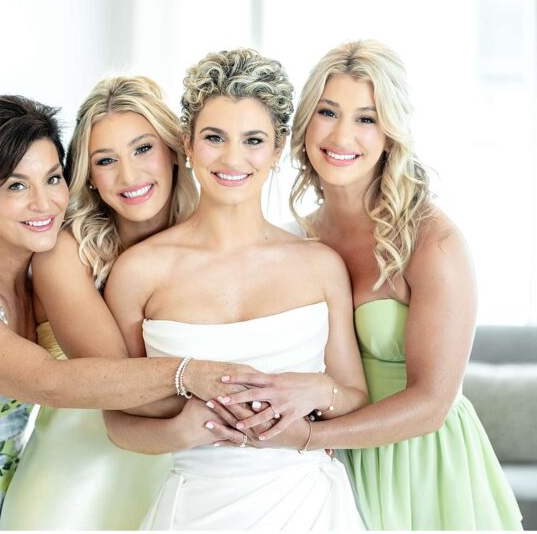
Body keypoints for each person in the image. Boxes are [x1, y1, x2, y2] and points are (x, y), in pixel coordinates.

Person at [0, 93, 253, 531]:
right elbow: (50, 383)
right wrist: (188, 373)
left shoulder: (37, 270)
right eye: (17, 186)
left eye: (52, 179)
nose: (45, 203)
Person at [211, 42, 522, 530]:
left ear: (391, 133)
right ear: (305, 123)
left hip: (418, 463)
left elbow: (432, 404)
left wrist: (305, 438)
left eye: (366, 118)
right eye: (328, 112)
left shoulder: (432, 242)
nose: (341, 134)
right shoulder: (302, 237)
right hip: (331, 463)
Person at [103, 48, 370, 531]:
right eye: (213, 138)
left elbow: (354, 395)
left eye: (252, 140)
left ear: (278, 147)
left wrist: (317, 390)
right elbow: (119, 422)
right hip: (194, 509)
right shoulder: (138, 272)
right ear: (187, 143)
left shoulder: (320, 265)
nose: (232, 158)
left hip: (306, 505)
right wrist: (183, 429)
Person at [2, 78, 196, 532]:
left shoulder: (212, 239)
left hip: (182, 480)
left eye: (142, 149)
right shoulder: (65, 253)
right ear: (87, 175)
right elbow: (118, 382)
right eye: (105, 161)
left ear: (173, 149)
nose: (129, 177)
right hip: (73, 488)